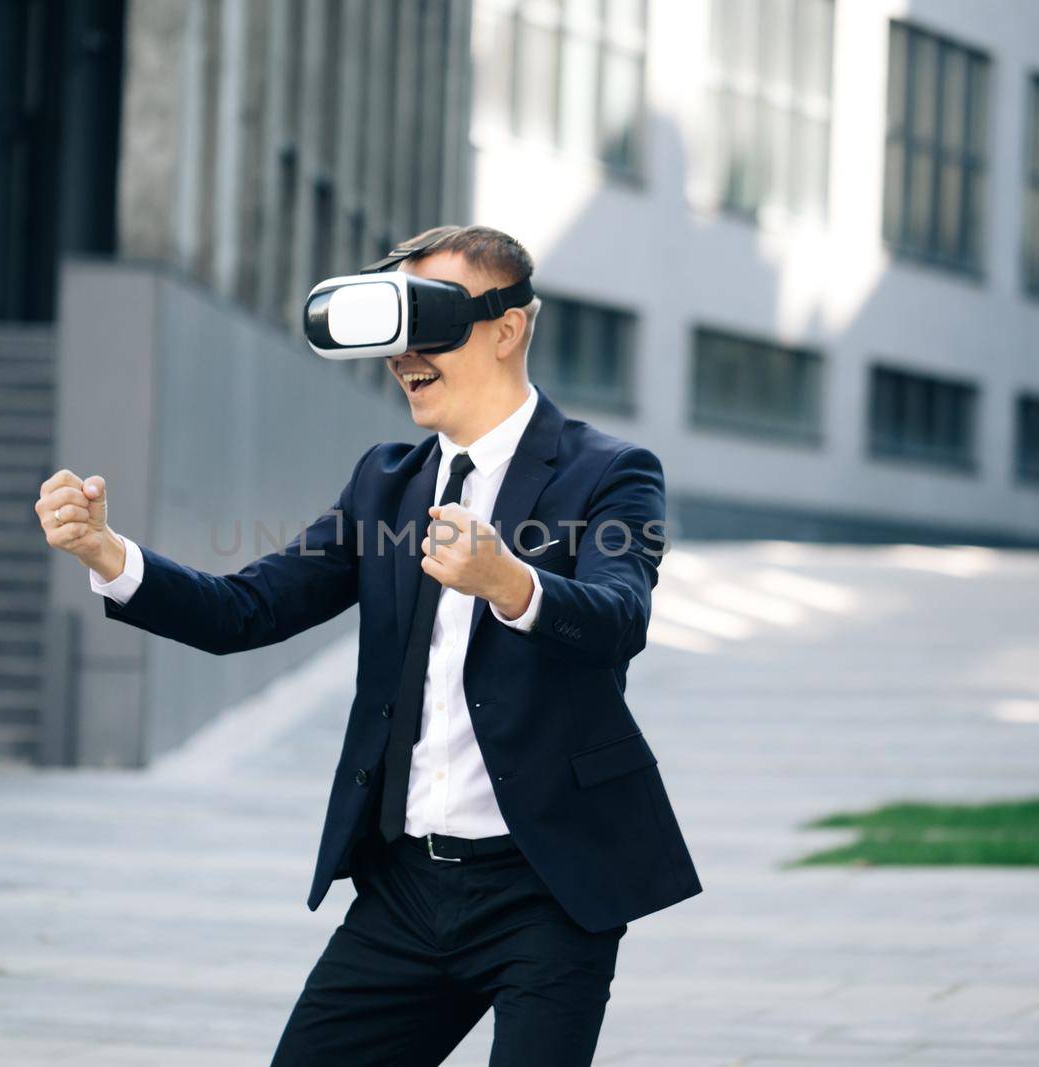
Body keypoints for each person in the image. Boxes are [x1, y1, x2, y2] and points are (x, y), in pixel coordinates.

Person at [35, 225, 701, 1066]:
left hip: (550, 888)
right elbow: (246, 610)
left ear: (508, 329)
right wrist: (108, 555)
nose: (404, 357)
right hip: (406, 892)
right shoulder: (385, 484)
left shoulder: (610, 472)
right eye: (394, 332)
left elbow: (618, 616)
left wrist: (508, 579)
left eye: (430, 326)